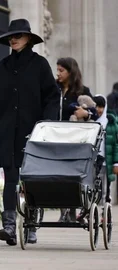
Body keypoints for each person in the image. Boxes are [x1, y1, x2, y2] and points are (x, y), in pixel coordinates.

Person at [0, 18, 60, 246]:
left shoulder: (40, 65)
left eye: (18, 36)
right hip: (8, 131)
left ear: (28, 38)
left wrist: (47, 124)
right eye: (11, 36)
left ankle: (30, 226)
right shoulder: (4, 66)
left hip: (33, 132)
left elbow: (51, 95)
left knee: (31, 179)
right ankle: (9, 226)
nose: (14, 39)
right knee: (10, 178)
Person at [56, 57, 98, 222]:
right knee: (57, 174)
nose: (58, 73)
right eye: (57, 70)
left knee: (72, 175)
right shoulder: (54, 89)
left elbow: (95, 112)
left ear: (70, 72)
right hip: (55, 138)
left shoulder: (82, 91)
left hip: (75, 140)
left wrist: (85, 114)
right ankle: (63, 211)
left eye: (61, 70)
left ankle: (72, 208)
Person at [92, 95, 118, 205]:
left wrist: (116, 163)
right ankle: (91, 214)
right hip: (94, 161)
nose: (99, 109)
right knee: (93, 189)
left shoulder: (110, 123)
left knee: (106, 190)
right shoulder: (91, 122)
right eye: (96, 106)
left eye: (101, 106)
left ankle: (106, 214)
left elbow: (115, 144)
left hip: (107, 161)